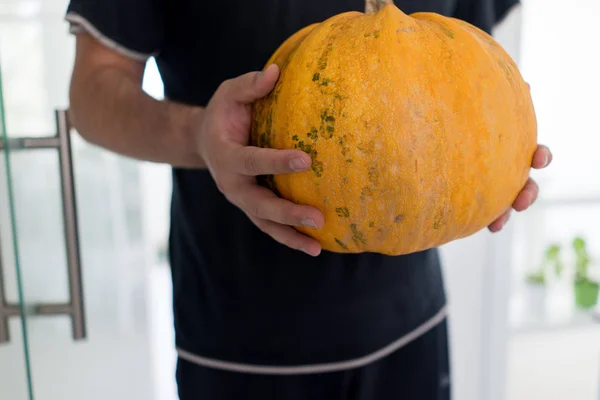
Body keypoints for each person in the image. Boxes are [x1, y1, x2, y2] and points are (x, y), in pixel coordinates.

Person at [64, 0, 552, 398]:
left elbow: (469, 63)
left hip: (411, 328)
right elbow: (92, 92)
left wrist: (497, 143)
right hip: (242, 345)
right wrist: (197, 135)